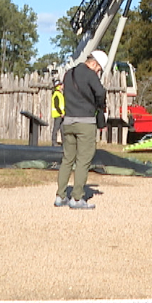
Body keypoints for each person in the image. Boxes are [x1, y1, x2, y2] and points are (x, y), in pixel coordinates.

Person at [55, 50, 108, 210]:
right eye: (99, 69)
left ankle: (60, 196)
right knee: (83, 160)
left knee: (67, 159)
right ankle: (77, 198)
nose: (98, 72)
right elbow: (101, 92)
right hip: (85, 122)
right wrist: (99, 104)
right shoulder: (90, 74)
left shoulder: (68, 74)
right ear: (94, 63)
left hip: (68, 122)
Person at [49, 78, 65, 146]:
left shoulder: (60, 94)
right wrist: (61, 113)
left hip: (61, 114)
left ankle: (64, 142)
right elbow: (56, 105)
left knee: (62, 129)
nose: (62, 86)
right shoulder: (56, 94)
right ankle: (54, 142)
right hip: (58, 114)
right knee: (56, 128)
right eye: (61, 85)